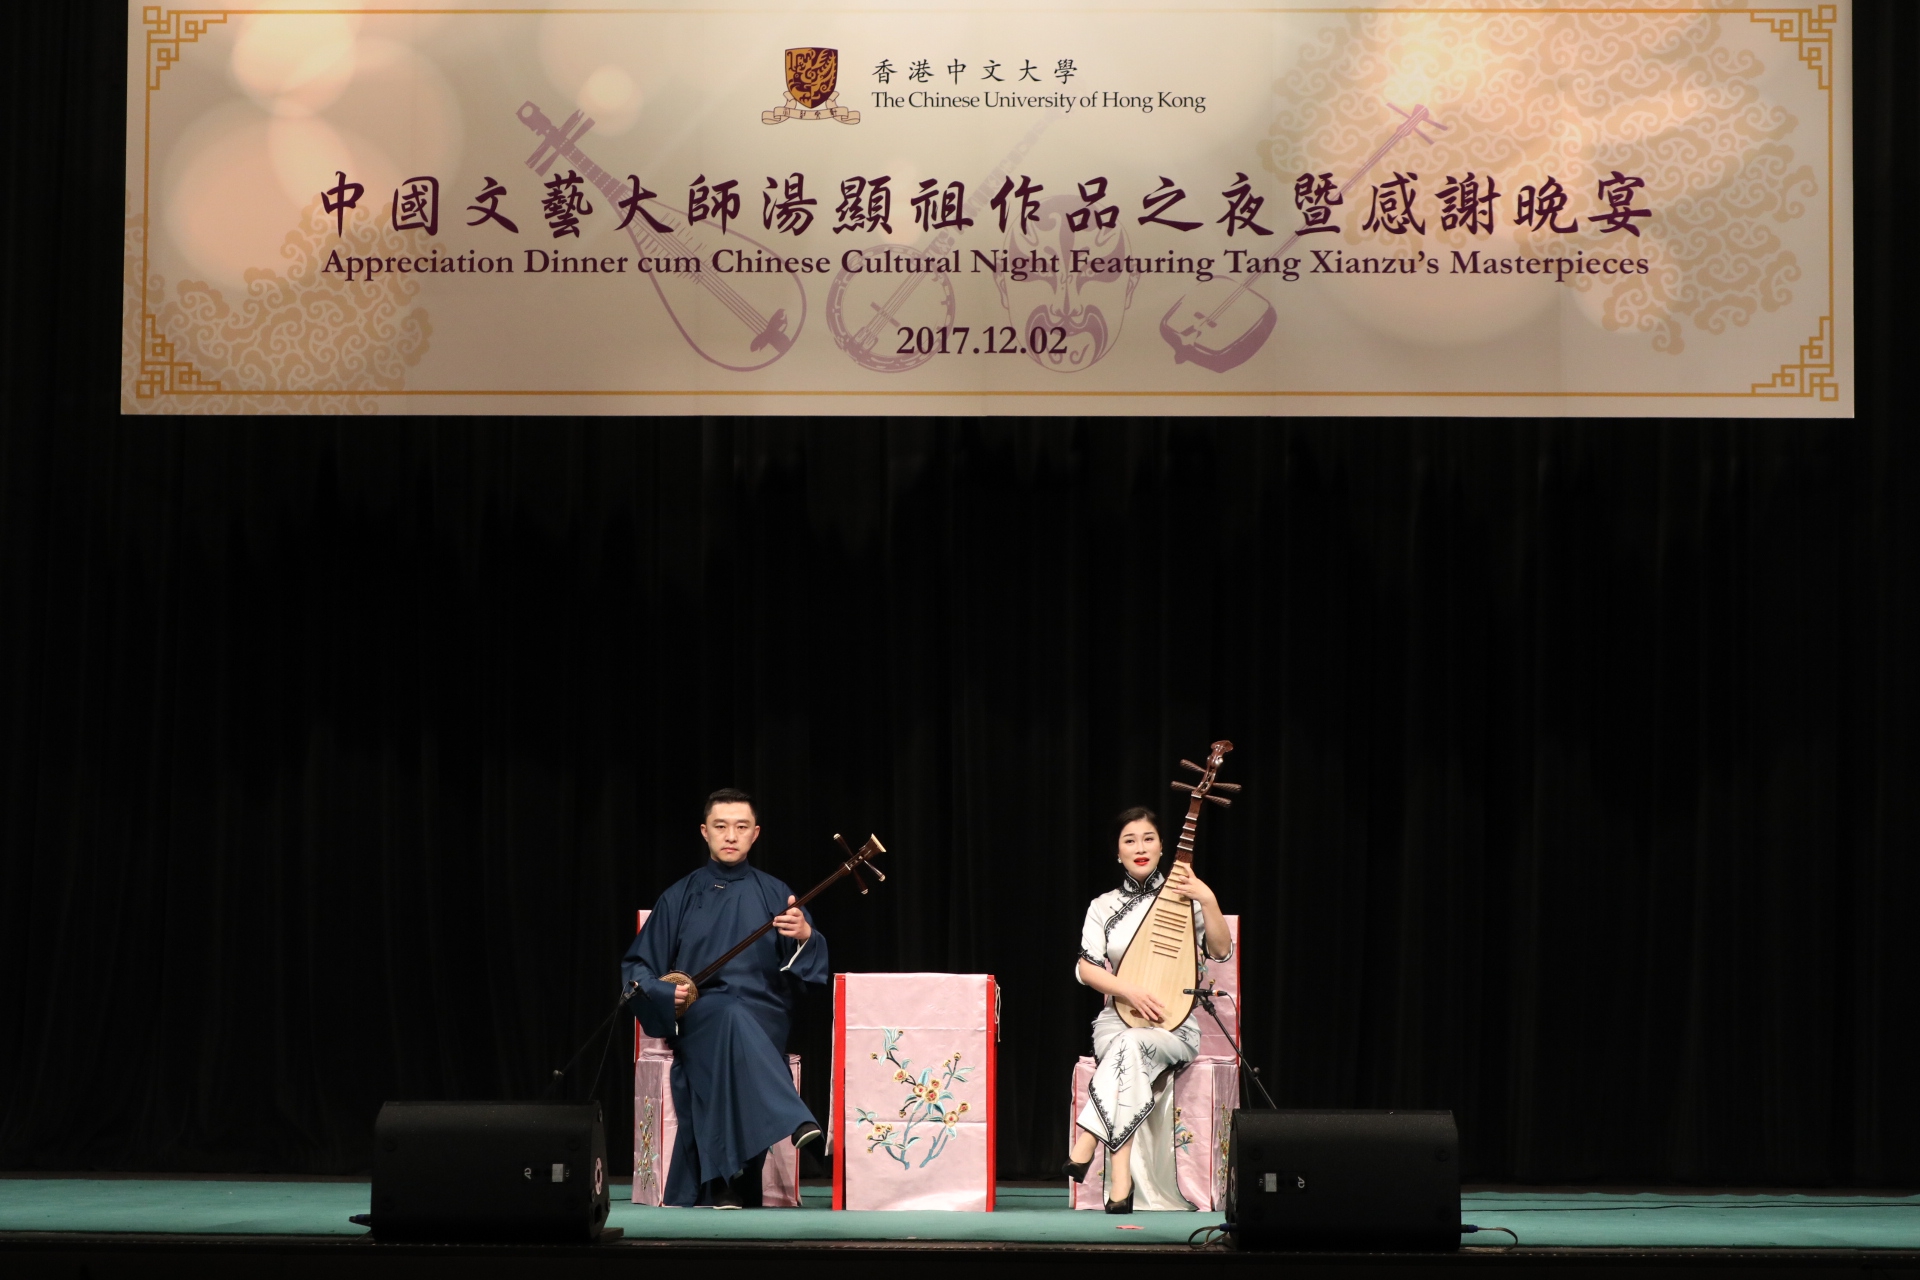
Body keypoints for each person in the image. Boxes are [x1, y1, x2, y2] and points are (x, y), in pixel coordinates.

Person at [623, 788, 828, 1207]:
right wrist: (668, 993)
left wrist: (806, 936)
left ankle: (729, 1180)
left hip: (764, 1015)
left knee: (737, 1018)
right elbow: (638, 969)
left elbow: (808, 964)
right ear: (704, 832)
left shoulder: (776, 893)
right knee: (725, 1011)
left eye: (740, 827)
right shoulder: (679, 896)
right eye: (720, 826)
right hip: (698, 1016)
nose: (730, 835)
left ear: (755, 834)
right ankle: (795, 1118)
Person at [1064, 806, 1233, 1212]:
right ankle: (1121, 1188)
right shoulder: (1102, 906)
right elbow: (1085, 968)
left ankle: (1085, 1140)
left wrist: (1207, 899)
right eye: (1129, 840)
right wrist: (1130, 991)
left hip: (1175, 1027)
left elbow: (1221, 951)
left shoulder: (1185, 899)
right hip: (1117, 1017)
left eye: (1148, 839)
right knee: (1127, 1042)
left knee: (1131, 1046)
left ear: (1162, 848)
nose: (1140, 848)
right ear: (1117, 853)